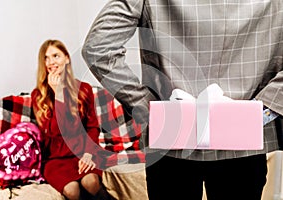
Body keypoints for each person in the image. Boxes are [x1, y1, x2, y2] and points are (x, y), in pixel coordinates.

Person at [82, 1, 283, 200]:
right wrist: (261, 112)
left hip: (170, 138)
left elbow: (97, 48)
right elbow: (97, 49)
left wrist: (149, 108)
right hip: (243, 141)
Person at [31, 39, 113, 200]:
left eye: (56, 56)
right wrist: (58, 95)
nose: (51, 62)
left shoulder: (84, 89)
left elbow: (92, 127)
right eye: (46, 58)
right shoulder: (38, 95)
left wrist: (89, 154)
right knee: (72, 190)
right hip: (56, 159)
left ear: (67, 59)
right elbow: (53, 131)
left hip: (83, 153)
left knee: (91, 182)